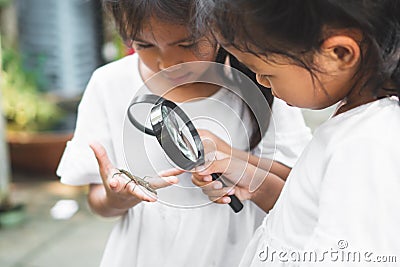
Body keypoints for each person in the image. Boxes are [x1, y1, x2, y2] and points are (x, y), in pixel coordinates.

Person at [56, 0, 312, 266]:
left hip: (241, 255)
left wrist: (233, 158)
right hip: (149, 255)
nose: (167, 63)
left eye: (187, 44)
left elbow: (299, 179)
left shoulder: (264, 80)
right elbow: (99, 202)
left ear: (220, 28)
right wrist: (117, 198)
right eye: (144, 45)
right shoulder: (109, 86)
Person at [192, 0, 400, 265]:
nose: (261, 82)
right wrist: (252, 178)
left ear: (339, 54)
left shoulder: (367, 145)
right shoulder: (355, 122)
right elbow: (302, 220)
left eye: (266, 72)